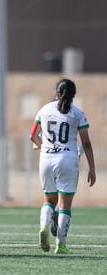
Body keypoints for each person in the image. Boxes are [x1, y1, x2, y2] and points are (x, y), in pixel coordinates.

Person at [30, 78, 96, 254]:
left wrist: (42, 146)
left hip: (46, 159)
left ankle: (44, 227)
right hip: (67, 159)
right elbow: (87, 144)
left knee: (48, 201)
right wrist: (92, 168)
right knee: (65, 206)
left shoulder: (44, 109)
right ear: (74, 95)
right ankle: (61, 244)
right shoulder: (77, 113)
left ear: (57, 93)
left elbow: (33, 135)